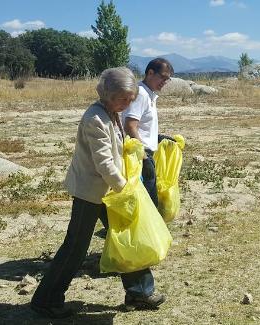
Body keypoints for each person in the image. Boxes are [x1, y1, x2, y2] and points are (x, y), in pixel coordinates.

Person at [31, 67, 165, 319]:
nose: (126, 104)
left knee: (128, 239)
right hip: (90, 193)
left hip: (111, 191)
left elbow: (118, 148)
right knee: (76, 246)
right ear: (106, 94)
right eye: (122, 98)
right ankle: (46, 300)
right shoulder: (95, 118)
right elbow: (103, 162)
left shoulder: (112, 113)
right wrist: (125, 188)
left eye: (130, 99)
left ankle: (140, 292)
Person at [123, 58, 175, 208]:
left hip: (145, 152)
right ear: (150, 73)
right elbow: (130, 125)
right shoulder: (141, 94)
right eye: (163, 77)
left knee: (147, 201)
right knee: (147, 203)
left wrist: (159, 138)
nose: (164, 82)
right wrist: (144, 157)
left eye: (167, 79)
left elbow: (142, 126)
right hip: (140, 155)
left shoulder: (149, 94)